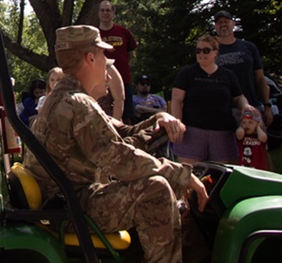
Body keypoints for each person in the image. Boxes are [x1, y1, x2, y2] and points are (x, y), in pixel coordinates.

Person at [24, 25, 207, 263]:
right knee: (156, 190)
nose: (108, 65)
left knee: (151, 183)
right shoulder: (77, 104)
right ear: (90, 58)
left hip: (66, 203)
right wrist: (182, 176)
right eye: (103, 56)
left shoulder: (63, 98)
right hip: (72, 208)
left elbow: (121, 134)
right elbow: (121, 159)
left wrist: (158, 120)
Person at [170, 35, 249, 165]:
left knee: (223, 177)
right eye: (198, 50)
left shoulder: (228, 75)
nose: (201, 54)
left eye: (206, 50)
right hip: (192, 133)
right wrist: (178, 124)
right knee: (190, 176)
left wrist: (245, 106)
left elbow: (238, 97)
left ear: (215, 53)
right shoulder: (187, 73)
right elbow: (177, 100)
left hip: (223, 134)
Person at [212, 11, 270, 126]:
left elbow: (260, 78)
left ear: (233, 24)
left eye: (226, 21)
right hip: (224, 111)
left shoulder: (249, 47)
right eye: (219, 22)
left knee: (257, 143)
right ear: (215, 26)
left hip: (252, 107)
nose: (223, 25)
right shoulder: (211, 51)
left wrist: (267, 106)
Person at [97, 1, 139, 123]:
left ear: (113, 13)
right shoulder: (94, 34)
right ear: (98, 13)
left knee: (126, 116)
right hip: (101, 81)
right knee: (102, 116)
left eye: (108, 10)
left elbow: (130, 53)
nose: (105, 13)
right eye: (102, 10)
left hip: (123, 79)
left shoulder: (123, 32)